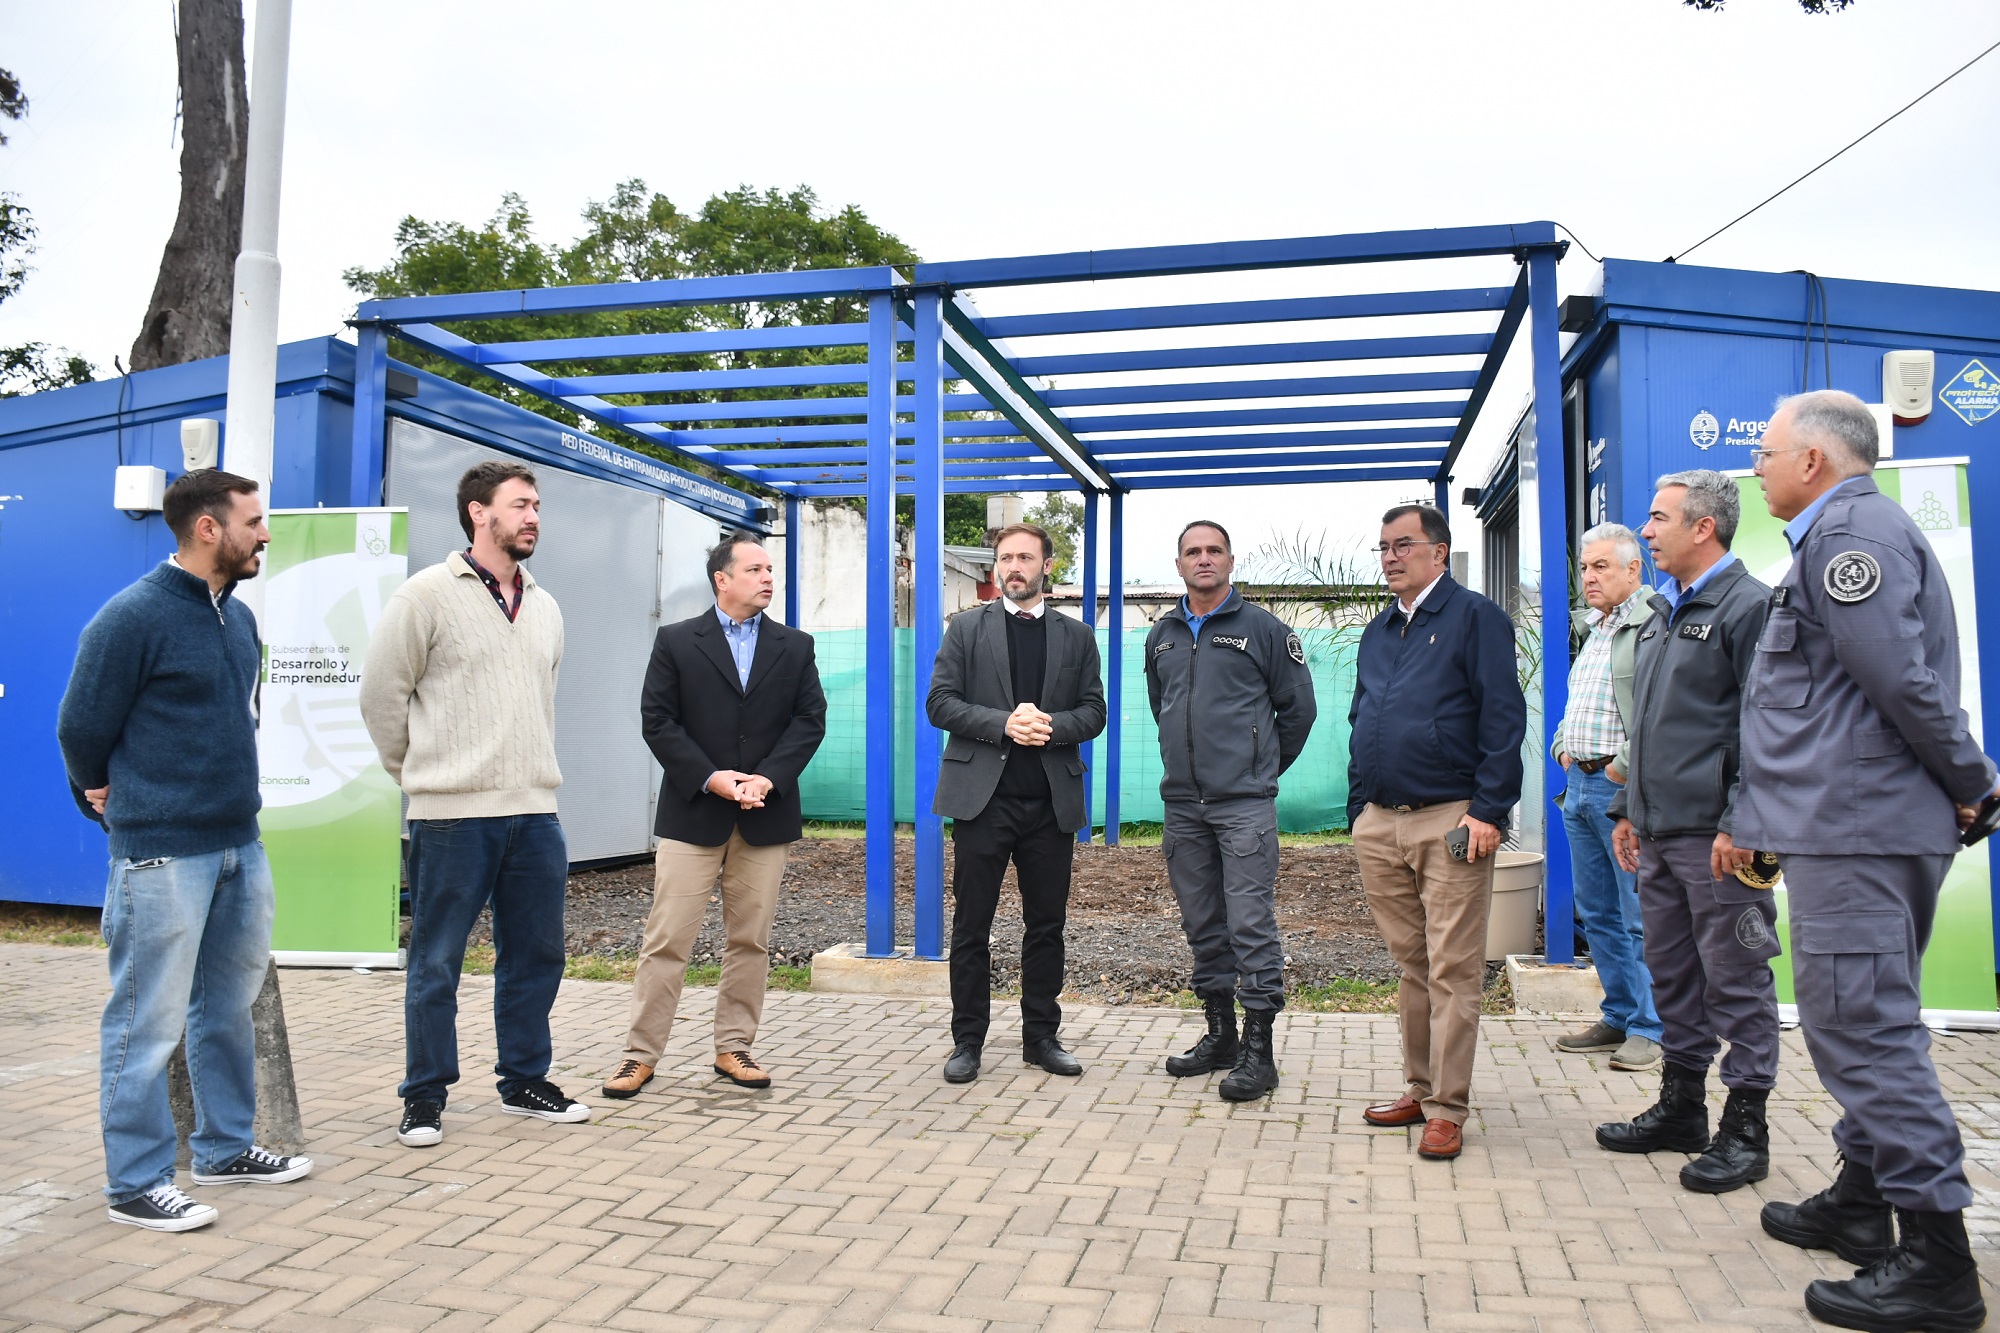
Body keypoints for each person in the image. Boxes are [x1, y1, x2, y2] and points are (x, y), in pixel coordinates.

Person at [1736, 390, 1995, 1333]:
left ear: (1813, 460)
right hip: (1855, 822)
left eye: (1767, 453)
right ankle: (1862, 1198)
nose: (1758, 467)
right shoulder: (1842, 534)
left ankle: (1937, 1262)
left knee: (1864, 1031)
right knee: (1866, 1018)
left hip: (1859, 826)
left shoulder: (1852, 536)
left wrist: (1973, 778)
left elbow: (1900, 678)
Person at [59, 469, 312, 1232]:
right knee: (146, 1020)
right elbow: (81, 727)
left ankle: (224, 1148)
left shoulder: (238, 618)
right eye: (253, 522)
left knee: (226, 1008)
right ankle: (135, 1182)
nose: (264, 533)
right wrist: (100, 795)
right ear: (208, 528)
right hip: (161, 854)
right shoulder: (130, 616)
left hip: (239, 845)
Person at [360, 460, 589, 1148]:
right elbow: (380, 698)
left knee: (537, 956)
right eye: (520, 505)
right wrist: (423, 774)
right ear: (478, 513)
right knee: (436, 963)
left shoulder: (546, 607)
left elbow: (542, 701)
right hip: (451, 816)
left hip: (536, 813)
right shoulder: (425, 596)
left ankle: (525, 1080)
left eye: (537, 506)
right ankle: (424, 1096)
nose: (534, 517)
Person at [1598, 471, 1780, 1196]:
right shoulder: (1660, 613)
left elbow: (1769, 728)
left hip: (1719, 839)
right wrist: (1626, 809)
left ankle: (1747, 1128)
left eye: (1659, 518)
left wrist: (1744, 821)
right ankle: (1683, 1108)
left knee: (1737, 978)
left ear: (1704, 526)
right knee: (1672, 974)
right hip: (1658, 831)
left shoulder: (1749, 606)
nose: (1646, 531)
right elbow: (1646, 725)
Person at [606, 533, 826, 1096]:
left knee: (750, 941)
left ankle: (734, 1047)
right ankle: (639, 1055)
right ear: (721, 579)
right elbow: (659, 721)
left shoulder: (796, 646)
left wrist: (768, 778)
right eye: (755, 569)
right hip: (694, 812)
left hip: (765, 813)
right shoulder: (678, 641)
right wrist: (713, 778)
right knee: (667, 940)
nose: (768, 577)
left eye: (769, 569)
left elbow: (809, 721)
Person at [1348, 503, 1524, 1161]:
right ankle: (1419, 1089)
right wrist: (1359, 809)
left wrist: (1488, 810)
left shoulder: (1475, 618)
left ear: (1439, 552)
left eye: (1403, 545)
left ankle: (1448, 1109)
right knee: (1413, 966)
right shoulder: (1379, 629)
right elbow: (1362, 715)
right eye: (1383, 547)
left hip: (1451, 818)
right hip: (1381, 823)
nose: (1390, 557)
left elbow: (1503, 718)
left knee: (1453, 967)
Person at [927, 523, 1106, 1083]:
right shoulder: (966, 628)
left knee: (1046, 925)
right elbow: (940, 703)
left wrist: (1049, 727)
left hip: (1051, 804)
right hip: (982, 802)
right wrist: (1004, 723)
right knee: (971, 926)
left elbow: (1094, 711)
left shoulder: (1077, 635)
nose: (1013, 567)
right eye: (1005, 558)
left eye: (1025, 558)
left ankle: (1041, 1038)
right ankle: (967, 1041)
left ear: (1046, 566)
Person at [1144, 520, 1316, 1101]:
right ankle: (1219, 1035)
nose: (1204, 559)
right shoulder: (1161, 635)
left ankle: (1258, 1051)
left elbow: (1298, 712)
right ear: (1179, 564)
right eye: (1192, 551)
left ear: (1230, 560)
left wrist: (1257, 769)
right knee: (1202, 923)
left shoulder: (1265, 630)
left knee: (1249, 923)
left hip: (1244, 807)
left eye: (1214, 550)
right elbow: (1162, 707)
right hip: (1183, 808)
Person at [1548, 523, 1663, 1074]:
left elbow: (1659, 711)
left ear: (1633, 569)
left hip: (1623, 792)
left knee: (1639, 915)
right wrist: (1561, 746)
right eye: (1585, 568)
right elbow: (1583, 703)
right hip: (1580, 787)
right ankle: (1618, 1014)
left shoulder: (1654, 624)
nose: (1588, 578)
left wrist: (1621, 768)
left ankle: (1651, 1027)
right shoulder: (1597, 628)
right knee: (1596, 912)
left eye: (1601, 567)